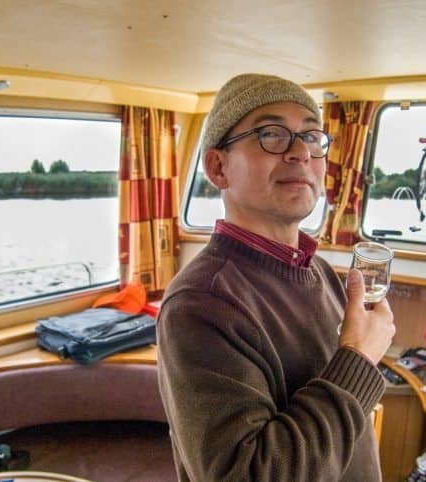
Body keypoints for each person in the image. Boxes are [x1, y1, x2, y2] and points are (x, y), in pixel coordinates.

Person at [156, 73, 396, 482]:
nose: (300, 152)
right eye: (272, 134)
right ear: (218, 167)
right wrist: (357, 360)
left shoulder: (317, 270)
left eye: (312, 136)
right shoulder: (202, 304)